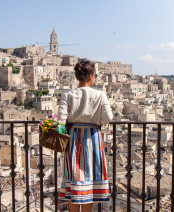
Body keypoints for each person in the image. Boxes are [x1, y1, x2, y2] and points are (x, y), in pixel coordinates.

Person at [58, 59, 113, 212]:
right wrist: (96, 121)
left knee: (75, 181)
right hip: (93, 139)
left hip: (74, 140)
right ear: (91, 76)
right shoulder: (100, 95)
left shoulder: (68, 95)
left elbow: (60, 120)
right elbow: (108, 117)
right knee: (88, 184)